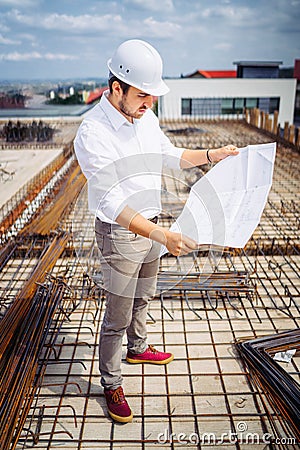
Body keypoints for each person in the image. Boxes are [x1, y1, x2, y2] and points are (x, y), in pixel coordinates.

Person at [74, 39, 238, 423]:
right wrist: (164, 237)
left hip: (152, 224)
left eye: (152, 96)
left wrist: (214, 155)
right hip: (121, 232)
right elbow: (112, 201)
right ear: (117, 88)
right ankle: (111, 382)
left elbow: (171, 155)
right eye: (143, 95)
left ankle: (139, 347)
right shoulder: (93, 133)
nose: (150, 103)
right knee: (117, 312)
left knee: (144, 295)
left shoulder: (145, 117)